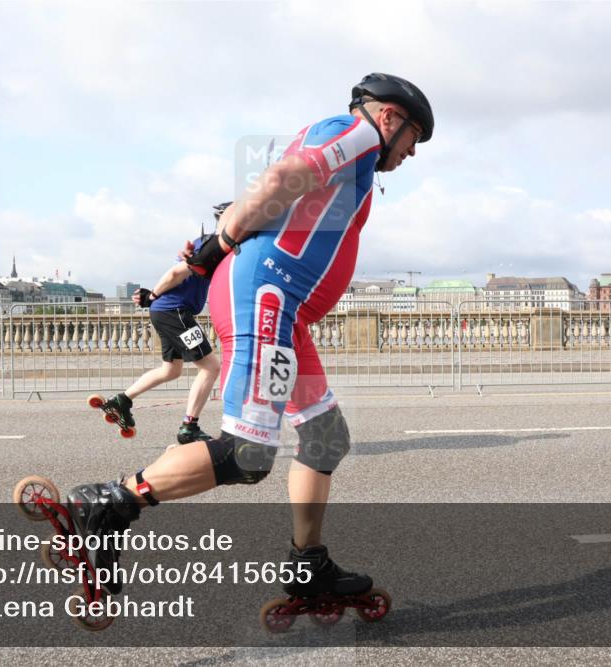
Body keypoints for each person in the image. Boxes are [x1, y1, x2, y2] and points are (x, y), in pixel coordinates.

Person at [67, 73, 433, 598]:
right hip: (267, 297)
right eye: (414, 138)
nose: (412, 152)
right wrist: (222, 239)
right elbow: (285, 178)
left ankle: (308, 566)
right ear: (390, 119)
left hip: (289, 315)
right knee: (247, 455)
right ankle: (108, 504)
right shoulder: (356, 135)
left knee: (327, 437)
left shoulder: (359, 160)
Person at [97, 206, 227, 445]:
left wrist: (153, 297)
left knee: (171, 370)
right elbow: (175, 273)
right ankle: (189, 426)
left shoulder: (207, 242)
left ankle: (122, 400)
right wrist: (153, 295)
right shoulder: (214, 246)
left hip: (168, 311)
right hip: (174, 312)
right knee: (210, 366)